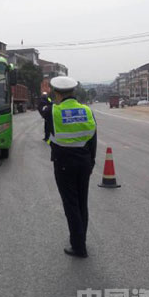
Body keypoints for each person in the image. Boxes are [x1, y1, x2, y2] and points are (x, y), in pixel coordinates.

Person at [41, 76, 97, 258]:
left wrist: (45, 95)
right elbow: (93, 140)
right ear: (73, 91)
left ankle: (79, 246)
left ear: (57, 93)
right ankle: (81, 240)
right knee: (82, 203)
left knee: (71, 204)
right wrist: (91, 162)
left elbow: (42, 107)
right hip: (84, 162)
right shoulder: (87, 111)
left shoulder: (53, 111)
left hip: (64, 164)